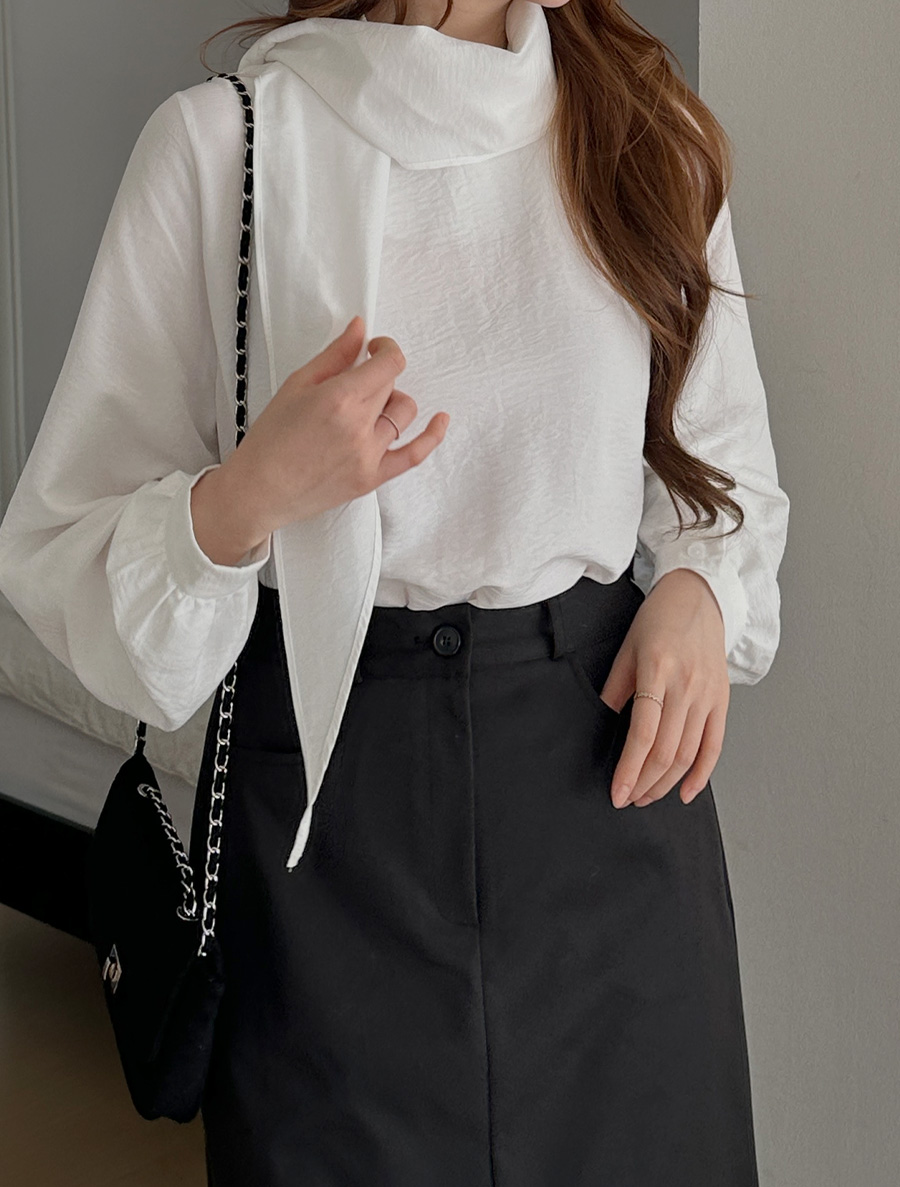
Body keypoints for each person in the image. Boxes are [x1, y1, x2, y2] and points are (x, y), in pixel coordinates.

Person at [0, 0, 789, 1183]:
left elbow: (723, 471)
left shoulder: (646, 137)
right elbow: (64, 550)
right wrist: (246, 497)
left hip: (604, 776)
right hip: (327, 805)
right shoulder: (225, 146)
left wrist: (700, 590)